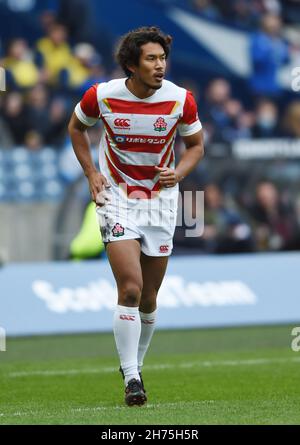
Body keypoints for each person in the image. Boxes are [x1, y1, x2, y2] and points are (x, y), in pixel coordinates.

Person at [68, 26, 204, 406]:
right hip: (116, 199)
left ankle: (136, 366)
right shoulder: (102, 96)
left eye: (163, 58)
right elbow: (76, 128)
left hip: (160, 202)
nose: (160, 66)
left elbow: (195, 146)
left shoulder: (181, 100)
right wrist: (92, 174)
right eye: (151, 59)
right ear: (132, 64)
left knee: (149, 297)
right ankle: (131, 378)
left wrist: (178, 173)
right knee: (129, 288)